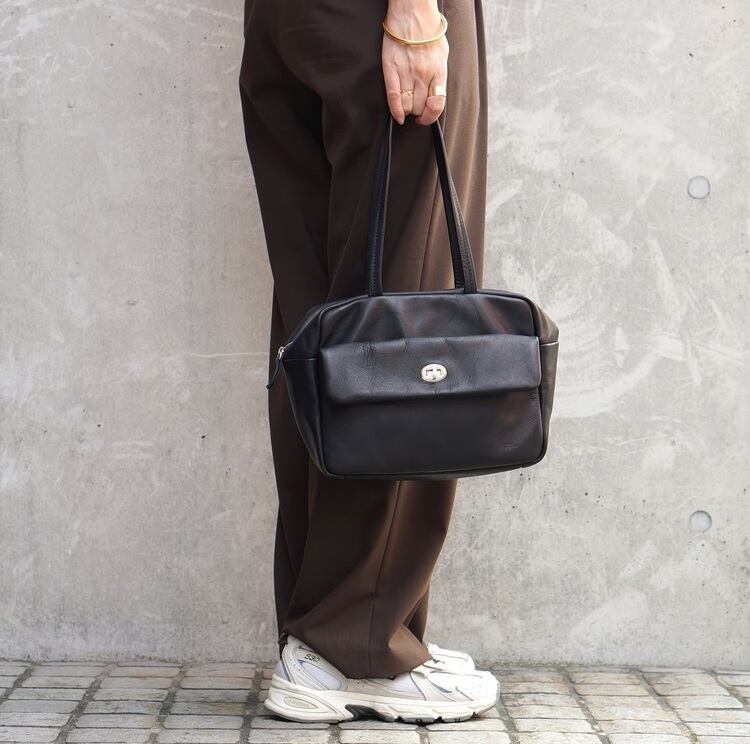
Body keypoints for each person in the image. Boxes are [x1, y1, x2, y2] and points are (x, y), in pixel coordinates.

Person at [239, 0, 494, 724]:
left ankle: (320, 640)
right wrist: (415, 13)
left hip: (288, 20)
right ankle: (358, 647)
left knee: (321, 335)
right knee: (406, 340)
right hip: (380, 20)